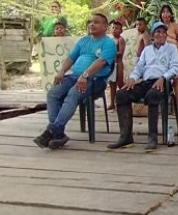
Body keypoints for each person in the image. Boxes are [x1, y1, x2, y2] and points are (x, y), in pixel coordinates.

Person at [33, 13, 116, 149]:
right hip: (75, 77)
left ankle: (53, 131)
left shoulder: (109, 43)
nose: (92, 24)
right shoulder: (84, 41)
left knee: (73, 94)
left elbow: (101, 62)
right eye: (90, 22)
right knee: (53, 93)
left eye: (96, 22)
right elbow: (71, 58)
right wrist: (61, 72)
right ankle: (58, 133)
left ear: (105, 26)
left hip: (95, 80)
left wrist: (85, 75)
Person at [107, 22, 178, 151]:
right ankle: (126, 137)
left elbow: (175, 68)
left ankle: (152, 137)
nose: (161, 35)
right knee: (121, 94)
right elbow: (139, 67)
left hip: (163, 83)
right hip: (146, 82)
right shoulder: (147, 50)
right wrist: (132, 78)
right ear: (152, 35)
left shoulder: (171, 48)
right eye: (157, 32)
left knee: (153, 95)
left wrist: (163, 78)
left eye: (163, 32)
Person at [107, 20, 126, 110]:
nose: (114, 30)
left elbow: (121, 52)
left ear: (121, 30)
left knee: (120, 83)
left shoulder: (120, 39)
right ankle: (112, 103)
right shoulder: (110, 40)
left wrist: (111, 52)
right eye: (113, 28)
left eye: (117, 28)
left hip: (118, 64)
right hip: (111, 64)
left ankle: (124, 101)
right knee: (112, 84)